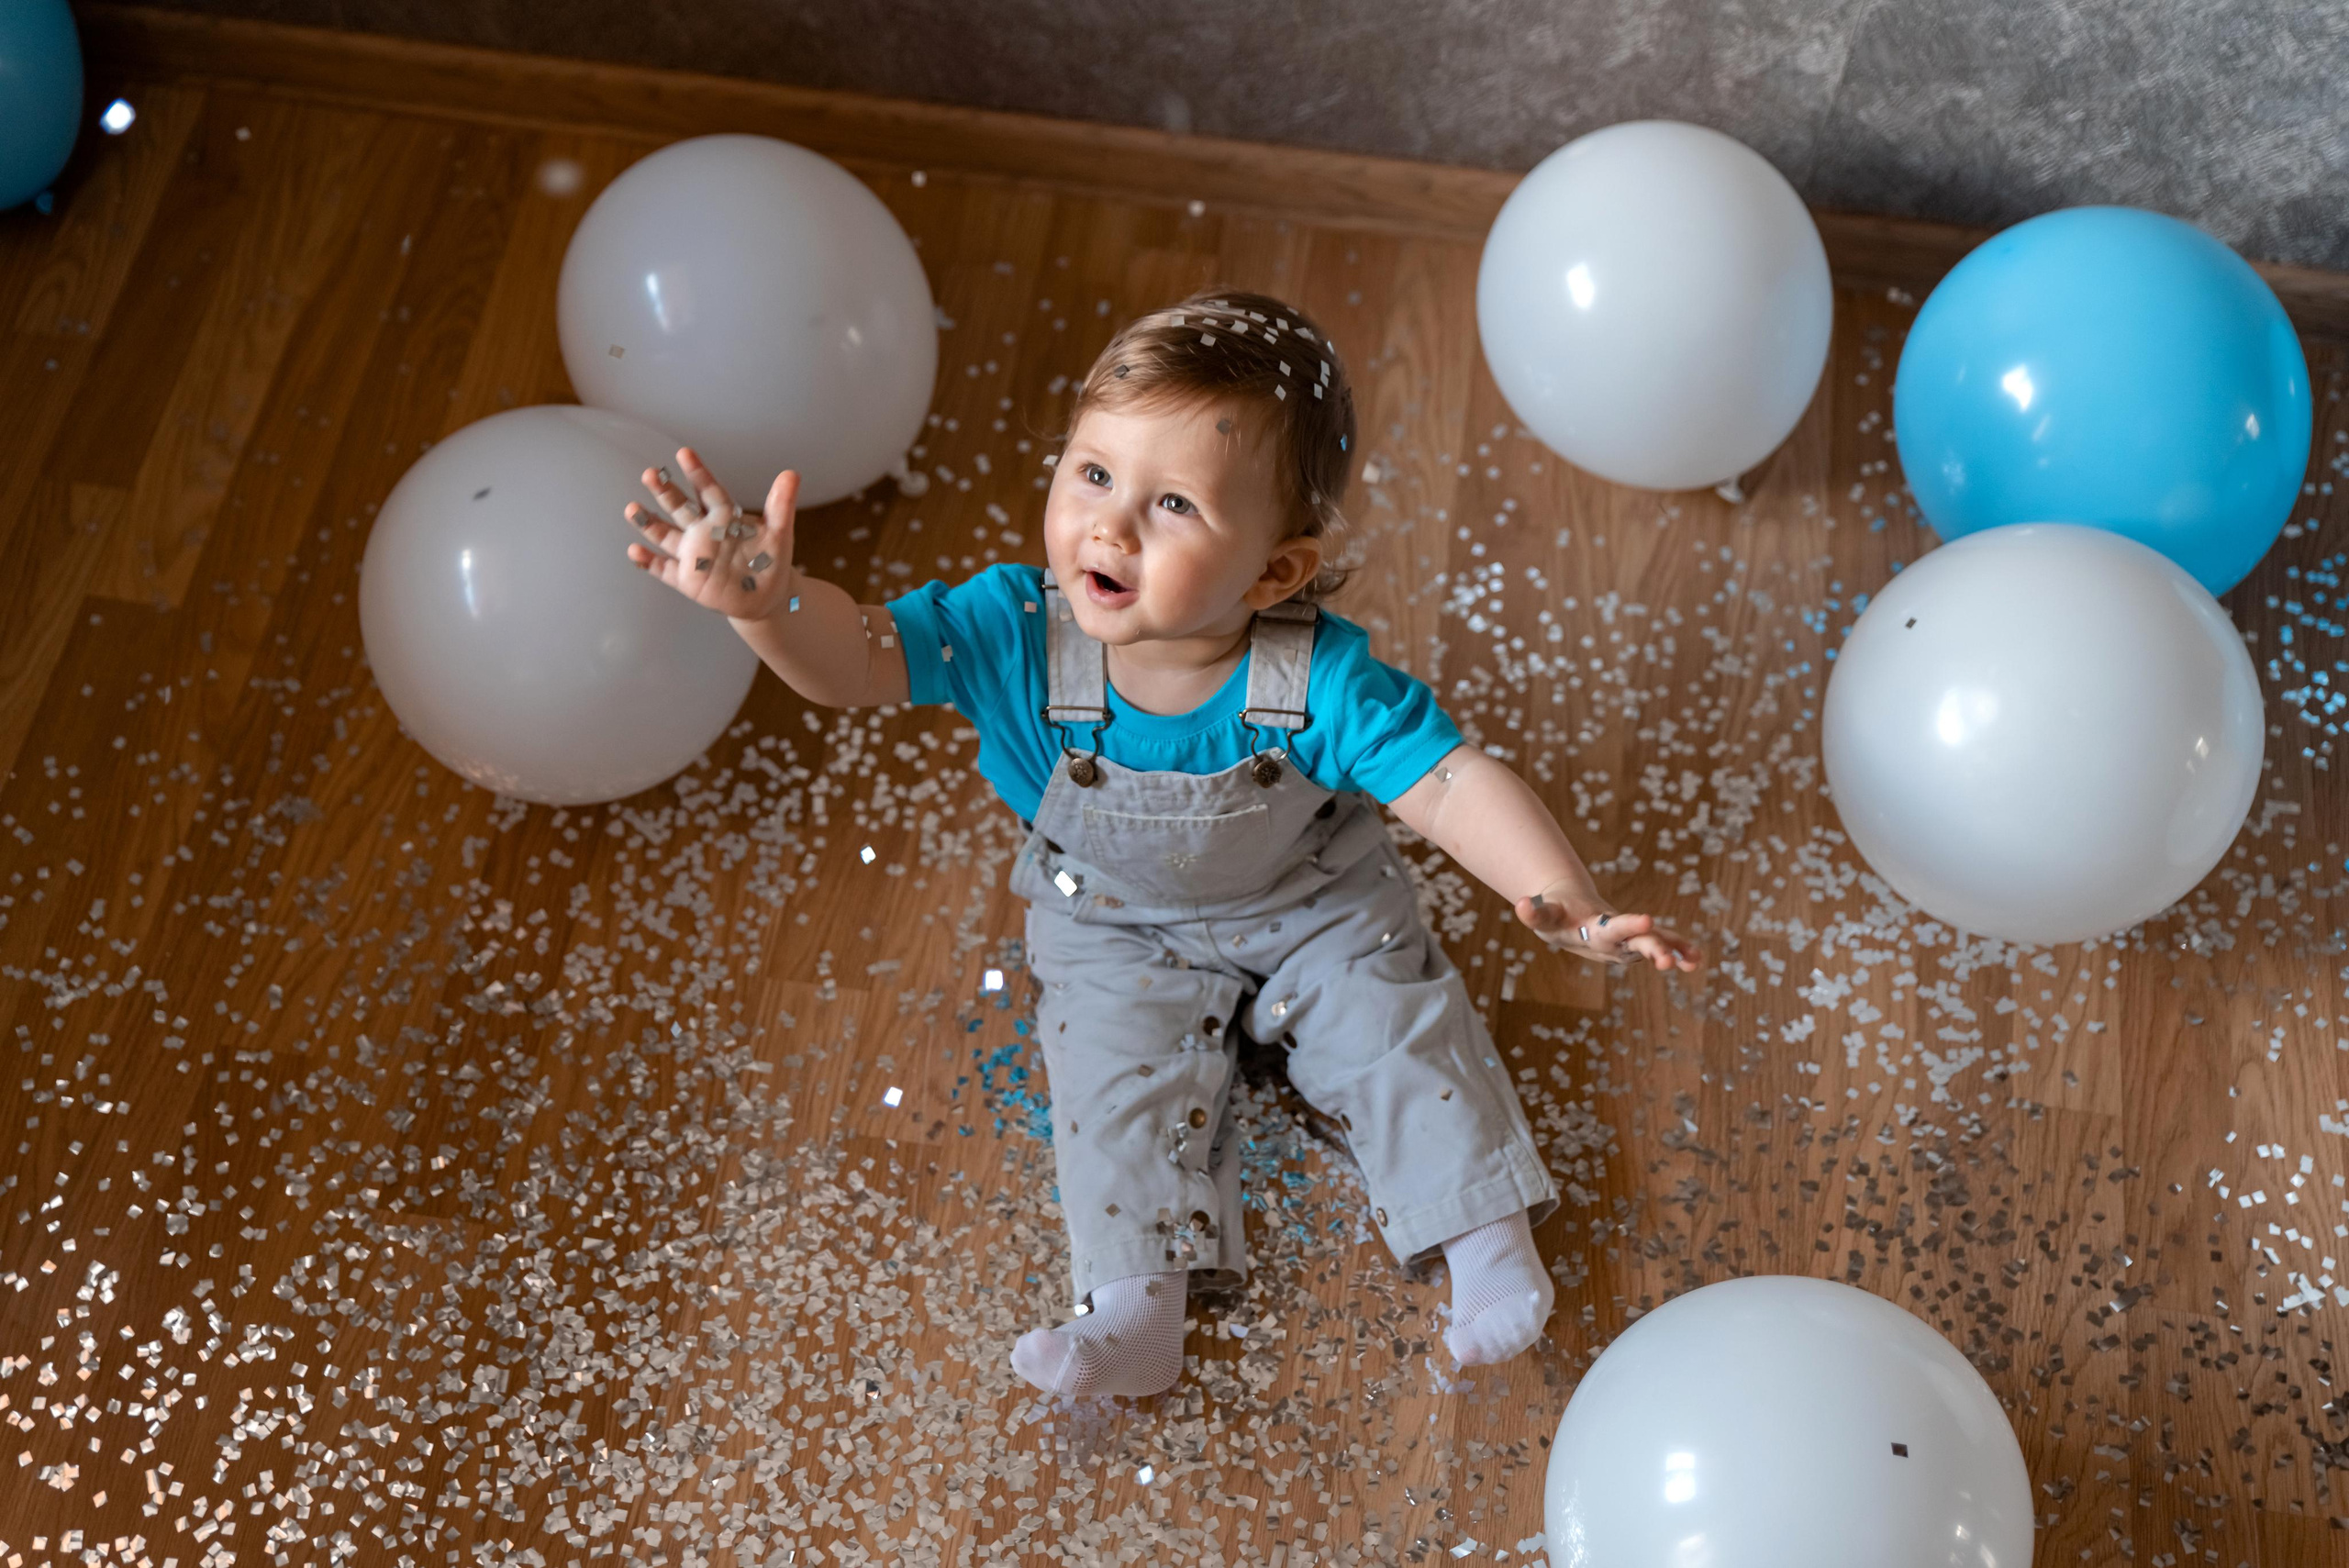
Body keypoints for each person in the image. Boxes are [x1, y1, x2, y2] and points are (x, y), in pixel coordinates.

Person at [623, 286, 1704, 1399]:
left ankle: (1481, 1236)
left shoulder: (1314, 672)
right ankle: (1135, 1315)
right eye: (1093, 474)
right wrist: (767, 604)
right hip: (1110, 915)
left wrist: (1557, 894)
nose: (1111, 524)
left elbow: (1448, 778)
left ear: (1275, 572)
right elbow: (855, 660)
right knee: (1109, 1091)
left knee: (1399, 1030)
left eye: (1174, 504)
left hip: (1311, 897)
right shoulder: (1010, 630)